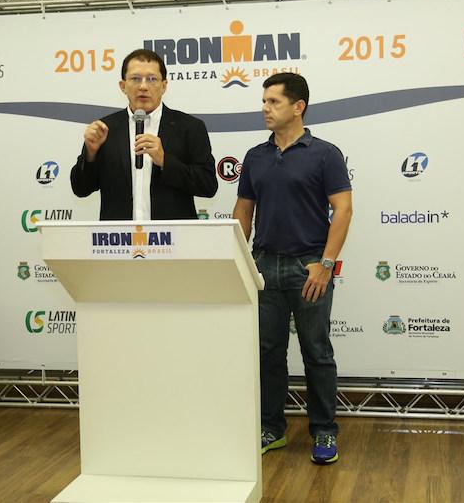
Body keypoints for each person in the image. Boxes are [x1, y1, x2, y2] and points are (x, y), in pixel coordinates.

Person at [232, 73, 352, 465]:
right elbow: (243, 212)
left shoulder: (325, 154)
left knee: (317, 352)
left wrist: (326, 265)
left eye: (273, 102)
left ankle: (324, 431)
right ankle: (271, 428)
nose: (265, 109)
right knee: (268, 353)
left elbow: (343, 210)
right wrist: (241, 261)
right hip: (265, 267)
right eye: (264, 101)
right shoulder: (255, 156)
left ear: (298, 107)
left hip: (309, 268)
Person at [70, 49, 217, 220]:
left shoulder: (190, 127)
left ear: (164, 86)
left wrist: (165, 161)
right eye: (135, 79)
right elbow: (80, 189)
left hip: (172, 234)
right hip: (119, 235)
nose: (143, 86)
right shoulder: (105, 129)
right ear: (123, 86)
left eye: (152, 79)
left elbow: (208, 186)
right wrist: (90, 154)